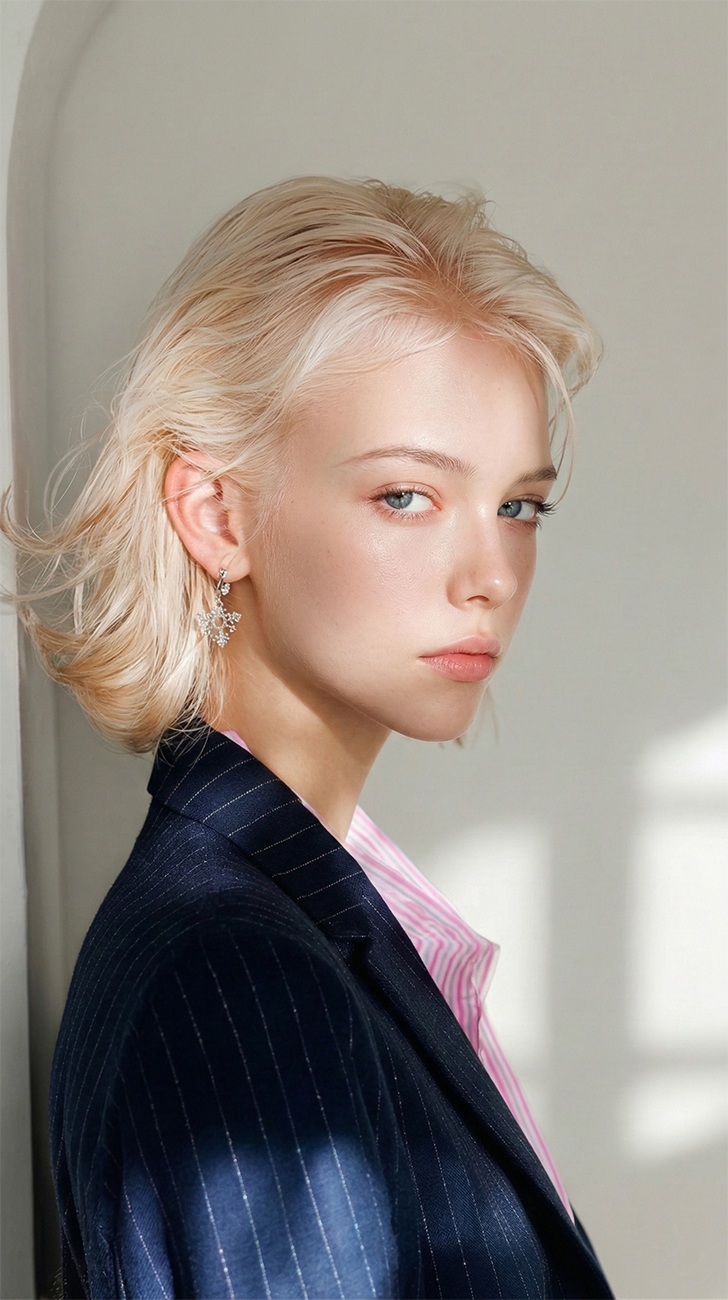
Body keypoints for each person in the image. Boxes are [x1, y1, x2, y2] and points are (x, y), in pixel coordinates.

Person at [3, 177, 614, 1299]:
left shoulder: (302, 913)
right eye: (405, 496)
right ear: (216, 515)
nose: (489, 576)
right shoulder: (237, 976)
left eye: (518, 506)